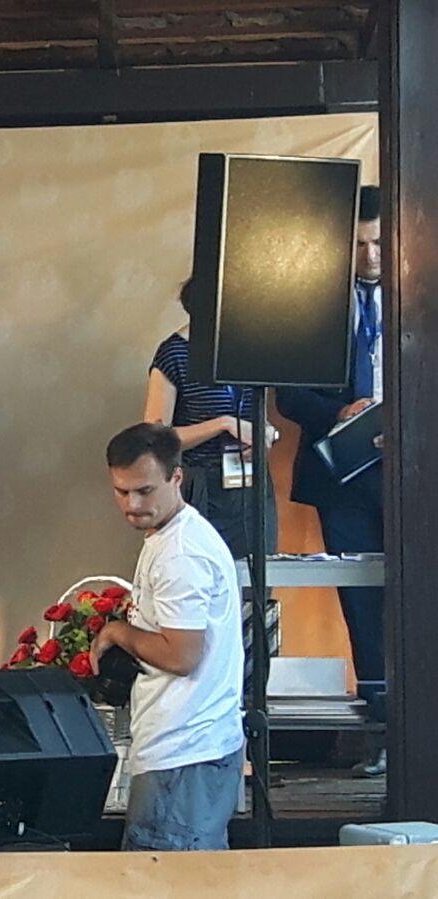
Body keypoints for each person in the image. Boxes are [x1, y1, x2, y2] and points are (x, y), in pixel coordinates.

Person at [92, 422, 244, 851]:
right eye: (121, 491)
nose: (132, 505)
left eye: (145, 491)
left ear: (176, 477)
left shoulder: (180, 553)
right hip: (194, 748)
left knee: (161, 877)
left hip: (182, 751)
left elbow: (181, 656)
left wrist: (119, 632)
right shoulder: (173, 536)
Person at [276, 185, 386, 777]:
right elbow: (288, 397)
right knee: (362, 606)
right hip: (340, 478)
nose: (371, 256)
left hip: (411, 475)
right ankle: (382, 734)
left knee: (418, 600)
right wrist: (340, 412)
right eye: (360, 245)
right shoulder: (311, 307)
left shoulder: (419, 295)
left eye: (379, 243)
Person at [143, 277, 279, 560]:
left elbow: (257, 416)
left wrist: (266, 434)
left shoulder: (248, 349)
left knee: (257, 576)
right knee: (202, 570)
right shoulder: (174, 353)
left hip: (251, 483)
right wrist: (223, 423)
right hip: (200, 484)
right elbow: (155, 438)